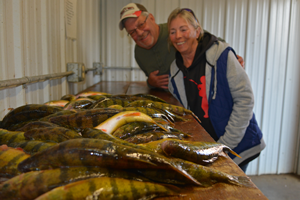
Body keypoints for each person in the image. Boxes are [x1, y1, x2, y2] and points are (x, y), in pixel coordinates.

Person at [167, 8, 266, 172]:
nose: (178, 36)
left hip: (237, 145)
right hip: (209, 148)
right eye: (172, 32)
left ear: (197, 31)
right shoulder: (174, 70)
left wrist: (224, 145)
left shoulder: (221, 55)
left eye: (183, 29)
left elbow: (245, 100)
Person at [119, 3, 245, 90]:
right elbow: (153, 81)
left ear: (151, 18)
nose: (139, 33)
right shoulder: (139, 53)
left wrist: (231, 57)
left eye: (141, 24)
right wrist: (151, 83)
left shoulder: (176, 31)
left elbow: (212, 42)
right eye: (132, 32)